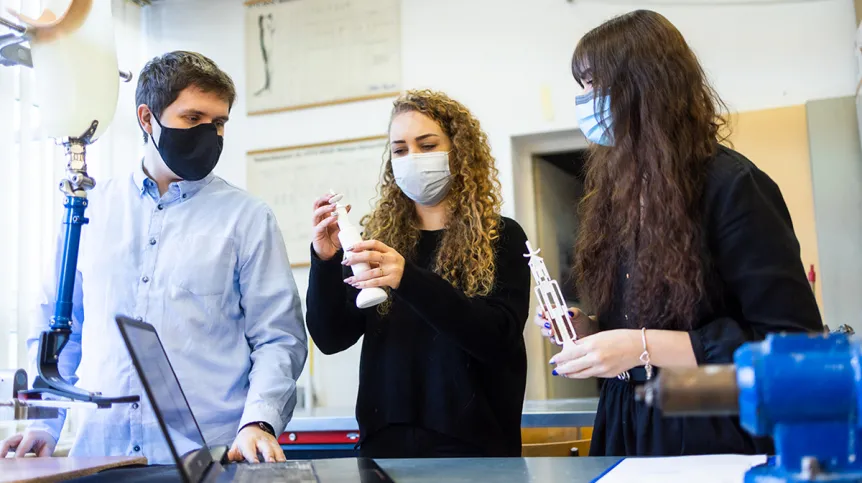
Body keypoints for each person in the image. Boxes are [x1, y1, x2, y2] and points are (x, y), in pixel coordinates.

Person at [0, 51, 307, 464]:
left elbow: (278, 338)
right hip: (102, 458)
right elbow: (61, 327)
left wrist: (258, 421)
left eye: (218, 123)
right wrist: (43, 423)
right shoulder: (89, 208)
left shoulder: (247, 218)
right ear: (148, 119)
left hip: (208, 460)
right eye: (192, 118)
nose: (209, 134)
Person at [538, 10, 823, 456]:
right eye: (583, 88)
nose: (586, 101)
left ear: (646, 85)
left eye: (596, 84)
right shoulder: (619, 194)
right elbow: (637, 324)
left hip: (710, 429)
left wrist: (641, 346)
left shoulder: (732, 186)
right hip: (628, 422)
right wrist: (591, 329)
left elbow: (791, 342)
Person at [306, 90, 531, 458]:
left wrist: (407, 278)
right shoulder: (380, 239)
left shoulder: (501, 236)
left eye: (426, 145)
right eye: (400, 149)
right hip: (385, 446)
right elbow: (331, 337)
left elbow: (496, 337)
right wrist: (325, 260)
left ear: (459, 152)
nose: (412, 158)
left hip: (473, 450)